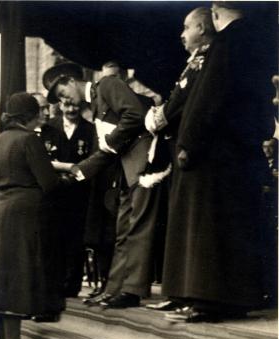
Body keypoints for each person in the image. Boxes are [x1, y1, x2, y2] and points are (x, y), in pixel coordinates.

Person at [162, 2, 274, 322]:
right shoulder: (255, 39)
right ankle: (235, 298)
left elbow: (207, 99)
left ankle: (210, 300)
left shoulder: (225, 44)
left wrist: (189, 144)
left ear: (214, 12)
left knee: (209, 229)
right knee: (235, 229)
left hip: (215, 155)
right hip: (241, 152)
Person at [43, 62, 167, 308]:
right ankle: (114, 288)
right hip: (125, 170)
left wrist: (110, 142)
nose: (64, 100)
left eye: (62, 93)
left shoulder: (108, 85)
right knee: (122, 229)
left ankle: (132, 291)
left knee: (138, 227)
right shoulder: (96, 103)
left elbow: (134, 115)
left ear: (70, 81)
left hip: (144, 165)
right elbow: (105, 152)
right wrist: (78, 174)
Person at [144, 7, 216, 311]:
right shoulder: (197, 60)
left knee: (191, 224)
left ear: (201, 27)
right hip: (183, 148)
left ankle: (190, 294)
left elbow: (180, 102)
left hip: (198, 152)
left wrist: (156, 119)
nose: (182, 34)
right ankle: (180, 292)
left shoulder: (206, 60)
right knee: (180, 222)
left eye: (187, 28)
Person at [0, 93, 65, 339]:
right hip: (24, 212)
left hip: (0, 209)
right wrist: (71, 177)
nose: (43, 116)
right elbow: (49, 183)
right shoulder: (29, 140)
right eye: (39, 112)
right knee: (18, 274)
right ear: (28, 117)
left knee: (0, 274)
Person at [40, 97, 97, 298]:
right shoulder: (49, 128)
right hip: (54, 192)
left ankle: (72, 285)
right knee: (55, 237)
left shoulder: (89, 130)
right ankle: (55, 283)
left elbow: (93, 160)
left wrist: (76, 178)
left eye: (75, 105)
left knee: (76, 237)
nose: (71, 109)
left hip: (79, 192)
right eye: (67, 104)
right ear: (59, 105)